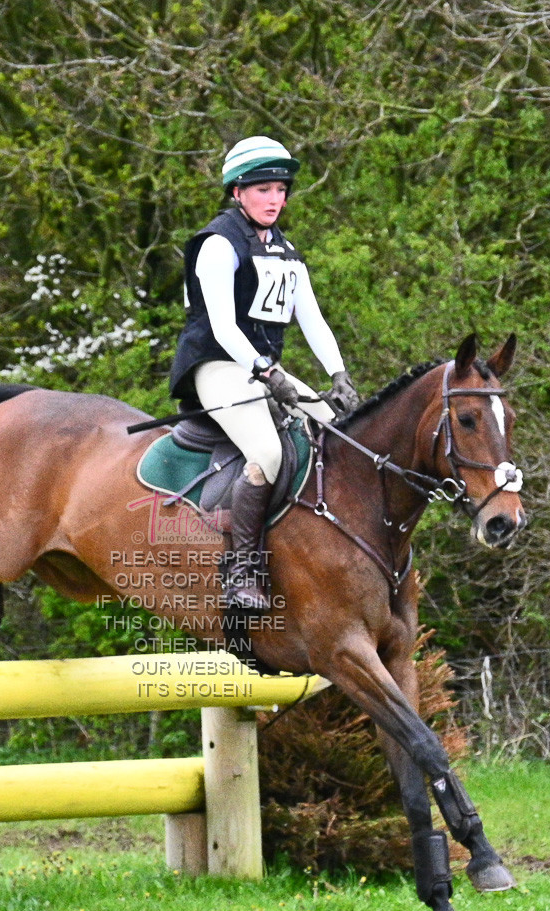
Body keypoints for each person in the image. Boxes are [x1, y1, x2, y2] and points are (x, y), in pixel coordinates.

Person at [167, 135, 361, 611]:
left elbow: (311, 318)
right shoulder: (218, 243)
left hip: (263, 368)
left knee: (338, 433)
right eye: (262, 190)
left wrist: (338, 375)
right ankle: (242, 572)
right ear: (237, 192)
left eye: (280, 189)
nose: (274, 199)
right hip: (216, 365)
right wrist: (263, 368)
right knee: (268, 452)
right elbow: (222, 325)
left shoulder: (284, 249)